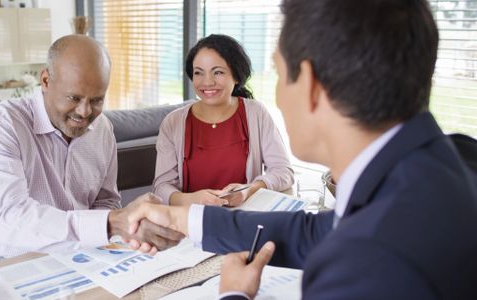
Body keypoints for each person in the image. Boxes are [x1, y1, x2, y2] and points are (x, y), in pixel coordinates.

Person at [128, 0, 477, 298]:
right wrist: (181, 217)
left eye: (279, 74)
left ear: (309, 85)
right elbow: (315, 232)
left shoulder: (370, 261)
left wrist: (233, 294)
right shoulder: (455, 157)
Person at [0, 35, 183, 262]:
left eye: (97, 100)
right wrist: (113, 222)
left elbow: (105, 202)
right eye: (74, 97)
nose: (84, 112)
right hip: (5, 263)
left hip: (78, 258)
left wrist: (133, 224)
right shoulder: (1, 125)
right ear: (46, 80)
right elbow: (10, 221)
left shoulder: (102, 129)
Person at [153, 34, 294, 207]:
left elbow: (283, 171)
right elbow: (161, 186)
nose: (207, 82)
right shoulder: (173, 123)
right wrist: (190, 199)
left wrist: (250, 189)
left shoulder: (256, 113)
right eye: (199, 73)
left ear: (236, 76)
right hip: (190, 222)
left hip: (244, 219)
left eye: (218, 72)